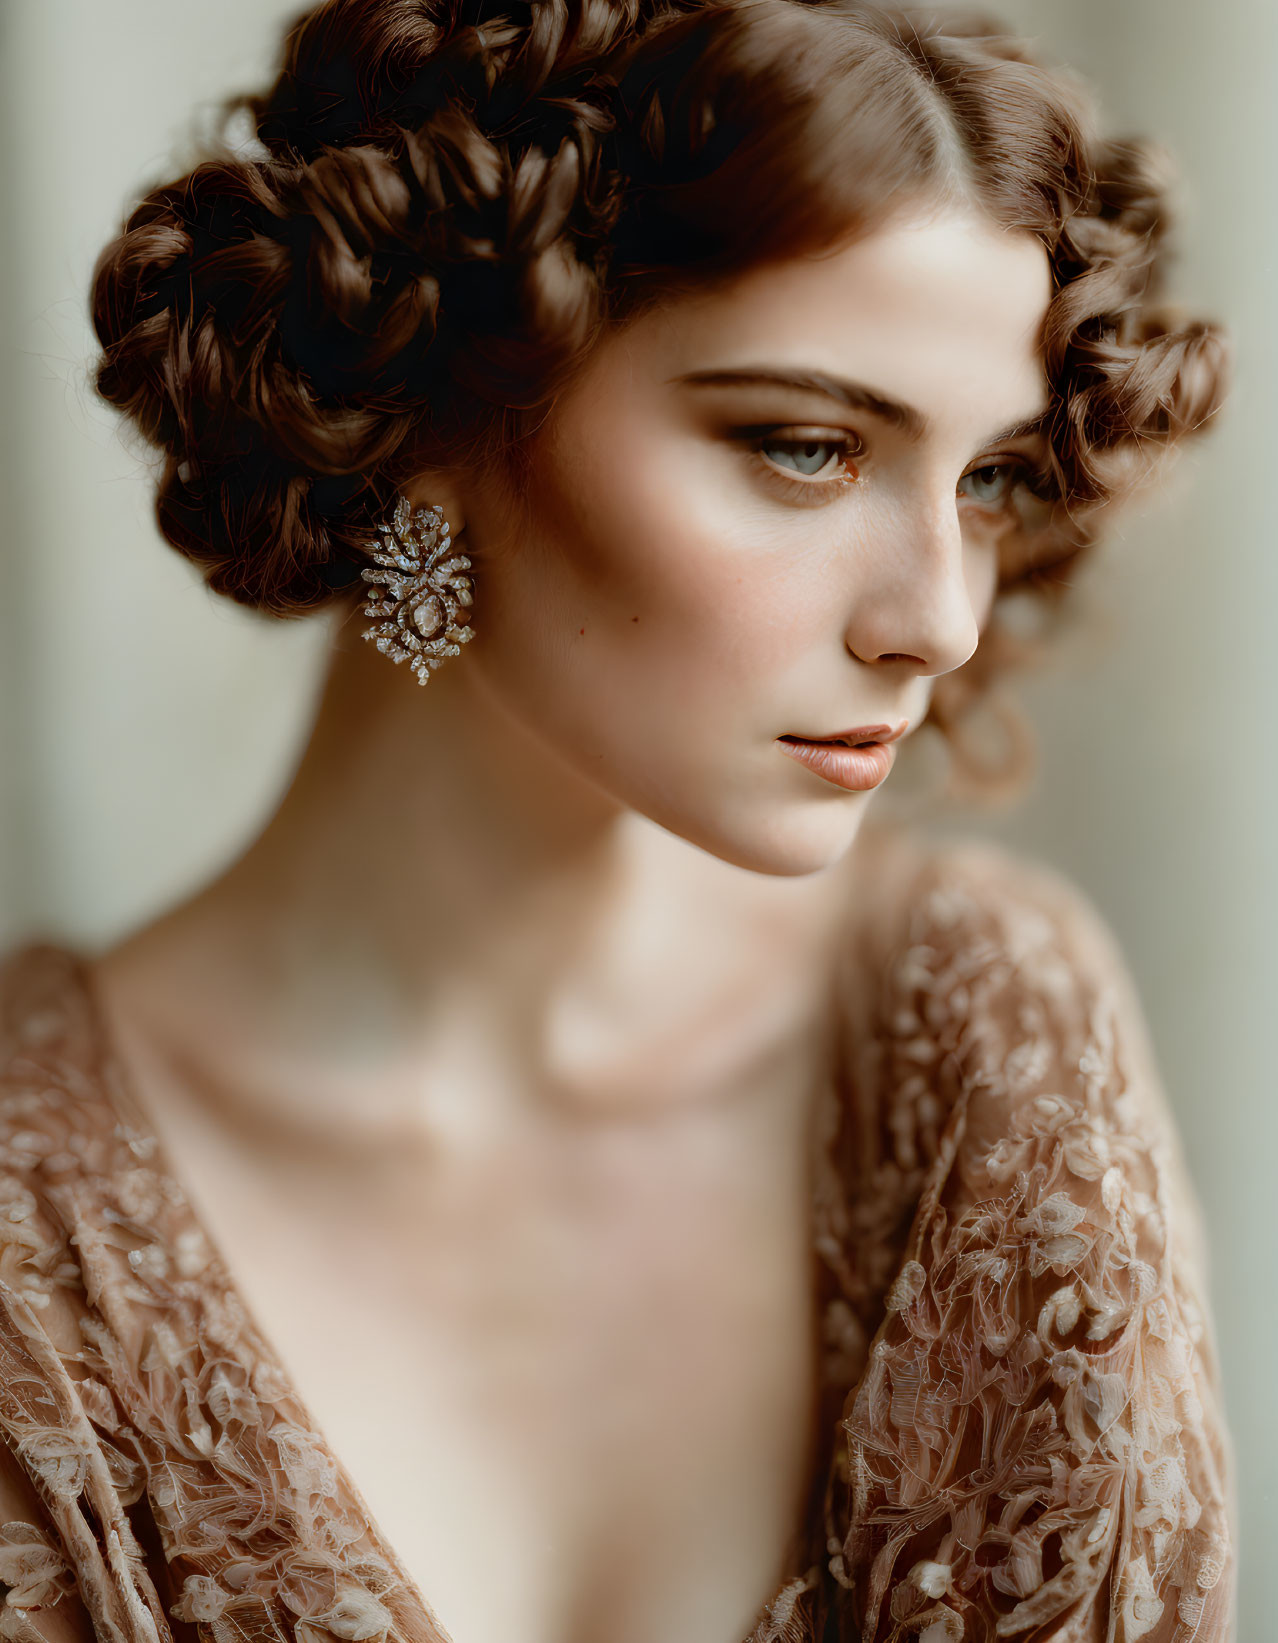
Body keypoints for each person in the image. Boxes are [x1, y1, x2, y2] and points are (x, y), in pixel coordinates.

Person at [0, 1, 1236, 1640]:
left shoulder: (984, 1040)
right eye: (804, 448)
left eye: (987, 480)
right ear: (440, 410)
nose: (935, 614)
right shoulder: (26, 1228)